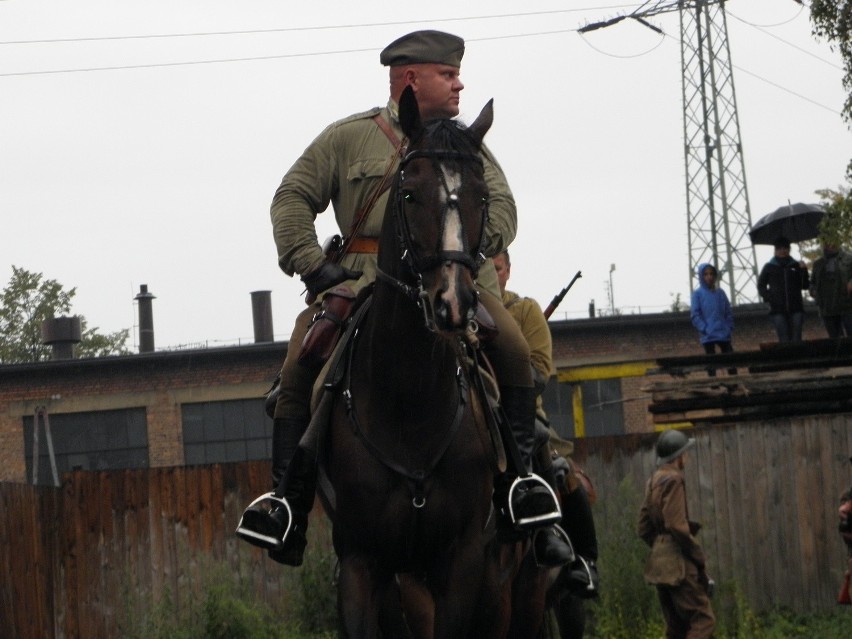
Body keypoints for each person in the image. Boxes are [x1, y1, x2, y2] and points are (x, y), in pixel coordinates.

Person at [237, 30, 570, 568]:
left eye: (459, 74)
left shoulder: (469, 145)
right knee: (301, 365)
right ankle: (286, 504)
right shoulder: (348, 139)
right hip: (363, 280)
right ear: (412, 79)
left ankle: (521, 487)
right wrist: (315, 266)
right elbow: (291, 197)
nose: (460, 83)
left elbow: (503, 206)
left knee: (510, 349)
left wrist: (459, 252)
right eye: (448, 74)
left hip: (454, 277)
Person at [493, 249, 600, 635]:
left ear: (508, 270)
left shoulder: (525, 312)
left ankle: (578, 556)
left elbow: (539, 371)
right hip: (477, 412)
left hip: (522, 415)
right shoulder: (464, 312)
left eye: (498, 266)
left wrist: (507, 389)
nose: (491, 272)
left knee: (559, 469)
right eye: (483, 266)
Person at [637, 430, 716, 639]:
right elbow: (676, 524)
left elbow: (643, 528)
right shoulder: (674, 479)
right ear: (679, 456)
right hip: (679, 564)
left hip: (660, 565)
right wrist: (697, 553)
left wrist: (661, 545)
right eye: (686, 452)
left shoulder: (653, 480)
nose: (687, 457)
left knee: (676, 628)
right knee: (703, 620)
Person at [756, 236, 809, 342]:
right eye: (779, 248)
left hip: (796, 308)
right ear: (775, 251)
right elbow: (761, 285)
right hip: (777, 310)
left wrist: (804, 271)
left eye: (785, 248)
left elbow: (805, 285)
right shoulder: (769, 267)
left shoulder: (796, 265)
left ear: (789, 249)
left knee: (796, 339)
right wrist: (769, 297)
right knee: (784, 339)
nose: (782, 251)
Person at [690, 263, 735, 376]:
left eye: (711, 274)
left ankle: (734, 384)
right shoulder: (698, 294)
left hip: (723, 333)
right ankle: (713, 387)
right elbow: (695, 315)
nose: (709, 277)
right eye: (706, 274)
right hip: (708, 335)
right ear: (701, 276)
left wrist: (728, 327)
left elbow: (728, 312)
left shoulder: (721, 293)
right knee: (711, 362)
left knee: (731, 360)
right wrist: (704, 328)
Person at [809, 240, 852, 338]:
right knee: (835, 341)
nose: (831, 244)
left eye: (833, 240)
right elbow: (812, 283)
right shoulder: (818, 264)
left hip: (847, 306)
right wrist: (812, 290)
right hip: (827, 308)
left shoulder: (849, 259)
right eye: (827, 242)